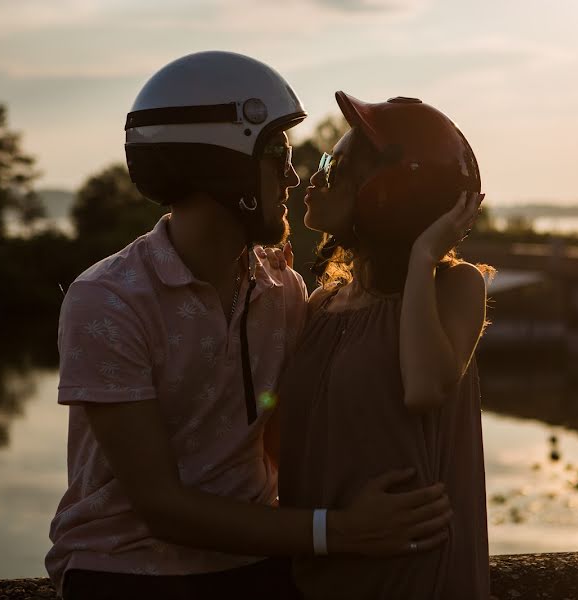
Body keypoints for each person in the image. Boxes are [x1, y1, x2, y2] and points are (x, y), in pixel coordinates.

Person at [46, 53, 452, 599]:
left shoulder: (284, 293)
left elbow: (281, 446)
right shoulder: (108, 301)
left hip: (259, 564)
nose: (292, 175)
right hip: (123, 570)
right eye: (275, 155)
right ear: (221, 163)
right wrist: (340, 530)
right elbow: (161, 507)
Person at [278, 92, 491, 599]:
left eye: (335, 163)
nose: (317, 173)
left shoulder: (454, 287)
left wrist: (421, 258)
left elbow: (424, 388)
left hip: (414, 578)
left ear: (389, 190)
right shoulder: (319, 306)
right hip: (322, 575)